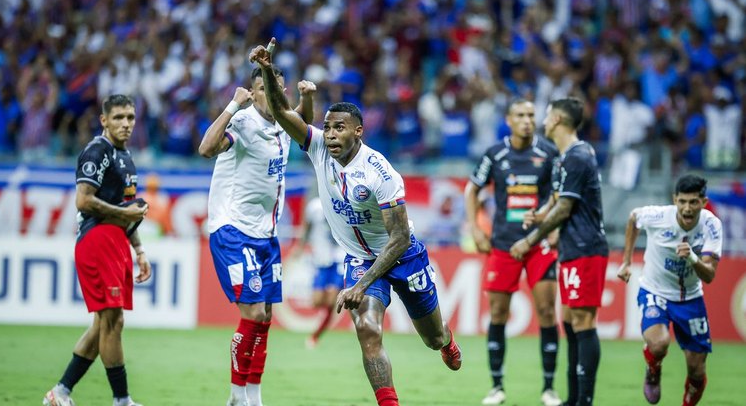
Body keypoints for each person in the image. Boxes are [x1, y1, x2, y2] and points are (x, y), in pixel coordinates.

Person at [251, 38, 462, 406]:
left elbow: (397, 239)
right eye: (328, 128)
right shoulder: (318, 147)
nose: (330, 135)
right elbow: (285, 115)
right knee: (367, 329)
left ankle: (446, 340)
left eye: (340, 129)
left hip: (403, 256)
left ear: (358, 132)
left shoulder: (381, 172)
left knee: (431, 338)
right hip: (360, 258)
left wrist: (360, 284)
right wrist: (268, 70)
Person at [197, 66, 315, 406]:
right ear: (253, 91)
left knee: (264, 317)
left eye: (277, 89)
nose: (269, 96)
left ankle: (253, 396)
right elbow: (206, 148)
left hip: (267, 234)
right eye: (262, 89)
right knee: (250, 315)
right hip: (233, 230)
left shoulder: (282, 121)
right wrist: (232, 106)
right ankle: (236, 397)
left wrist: (308, 98)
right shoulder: (244, 121)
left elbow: (303, 128)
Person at [43, 94, 151, 406]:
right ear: (103, 120)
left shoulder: (127, 158)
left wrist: (140, 250)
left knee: (104, 323)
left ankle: (60, 392)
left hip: (117, 241)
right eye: (118, 117)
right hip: (97, 239)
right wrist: (125, 214)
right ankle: (122, 400)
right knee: (113, 321)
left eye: (130, 117)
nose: (126, 124)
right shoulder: (97, 150)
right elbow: (84, 200)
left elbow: (127, 210)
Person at [510, 97, 608, 406]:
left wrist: (530, 239)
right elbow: (557, 199)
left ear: (558, 121)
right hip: (571, 247)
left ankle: (585, 400)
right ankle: (574, 397)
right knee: (569, 319)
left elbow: (566, 207)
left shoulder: (577, 156)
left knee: (583, 321)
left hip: (586, 247)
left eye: (547, 115)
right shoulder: (567, 157)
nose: (542, 120)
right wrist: (540, 214)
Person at [465, 98, 562, 406]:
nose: (527, 120)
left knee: (547, 312)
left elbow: (561, 194)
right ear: (508, 120)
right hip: (504, 244)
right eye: (520, 115)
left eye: (531, 115)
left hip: (539, 243)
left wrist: (555, 226)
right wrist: (476, 229)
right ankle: (497, 387)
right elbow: (472, 190)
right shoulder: (496, 154)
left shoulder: (549, 152)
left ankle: (548, 388)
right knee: (497, 313)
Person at [617, 174, 721, 406]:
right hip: (656, 291)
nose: (686, 208)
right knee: (658, 343)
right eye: (682, 201)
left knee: (697, 370)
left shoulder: (711, 225)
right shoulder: (658, 216)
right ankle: (653, 370)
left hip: (691, 298)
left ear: (703, 203)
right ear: (674, 199)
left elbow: (710, 275)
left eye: (693, 202)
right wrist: (626, 261)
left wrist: (693, 258)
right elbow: (634, 219)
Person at [294, 195, 345, 348]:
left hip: (339, 257)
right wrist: (300, 247)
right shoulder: (314, 206)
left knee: (332, 301)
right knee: (317, 301)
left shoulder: (343, 203)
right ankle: (320, 327)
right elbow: (307, 228)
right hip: (321, 258)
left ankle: (316, 335)